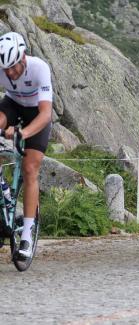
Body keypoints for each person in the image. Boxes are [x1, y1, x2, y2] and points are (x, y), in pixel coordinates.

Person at [0, 32, 52, 257]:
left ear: (23, 57)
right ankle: (6, 195)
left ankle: (27, 237)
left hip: (35, 114)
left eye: (13, 67)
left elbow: (46, 114)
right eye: (5, 69)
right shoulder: (3, 69)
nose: (10, 73)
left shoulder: (39, 68)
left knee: (31, 168)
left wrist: (23, 133)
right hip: (13, 103)